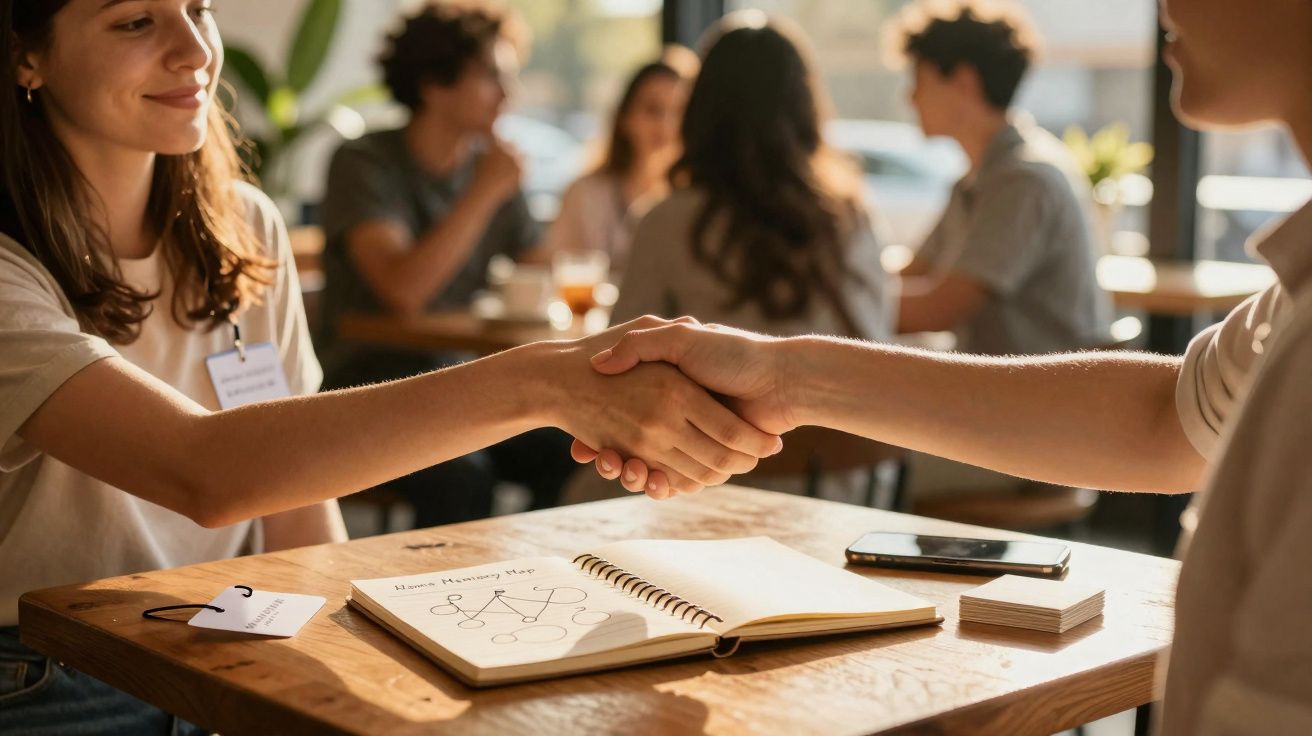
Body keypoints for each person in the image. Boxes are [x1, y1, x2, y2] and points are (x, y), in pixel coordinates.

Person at [0, 1, 781, 731]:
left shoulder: (242, 227)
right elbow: (202, 469)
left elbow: (297, 506)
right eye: (136, 20)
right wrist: (544, 380)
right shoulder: (11, 267)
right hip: (54, 674)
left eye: (199, 7)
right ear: (26, 56)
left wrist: (346, 656)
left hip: (213, 637)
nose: (196, 48)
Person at [575, 0, 1312, 729]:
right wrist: (783, 370)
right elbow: (1169, 414)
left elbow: (934, 301)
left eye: (918, 76)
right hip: (849, 463)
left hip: (926, 476)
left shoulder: (1021, 179)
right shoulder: (894, 200)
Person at [593, 13, 891, 502]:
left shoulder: (668, 220)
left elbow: (620, 362)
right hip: (846, 492)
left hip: (704, 485)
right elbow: (879, 350)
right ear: (805, 109)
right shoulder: (854, 218)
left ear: (700, 110)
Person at [315, 2, 573, 527]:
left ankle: (535, 583)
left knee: (569, 448)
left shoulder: (490, 168)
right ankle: (437, 604)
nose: (508, 95)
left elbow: (543, 273)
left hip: (460, 378)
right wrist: (484, 194)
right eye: (490, 77)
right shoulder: (365, 162)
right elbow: (403, 290)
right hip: (368, 388)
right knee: (462, 475)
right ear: (434, 85)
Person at [890, 1, 1111, 356]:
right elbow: (914, 273)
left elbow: (938, 308)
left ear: (963, 83)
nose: (910, 96)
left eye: (919, 79)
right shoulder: (978, 179)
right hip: (999, 392)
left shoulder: (1025, 180)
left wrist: (826, 302)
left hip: (1046, 400)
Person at [532, 46, 698, 272]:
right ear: (625, 117)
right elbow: (554, 268)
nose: (666, 126)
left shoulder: (692, 199)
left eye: (679, 112)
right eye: (652, 110)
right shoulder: (585, 193)